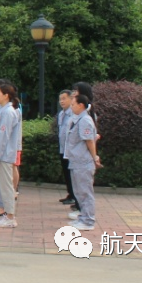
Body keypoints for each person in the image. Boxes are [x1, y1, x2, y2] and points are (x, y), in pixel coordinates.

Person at [64, 92, 101, 230]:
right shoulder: (77, 119)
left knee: (85, 192)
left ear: (81, 105)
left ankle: (88, 220)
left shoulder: (85, 120)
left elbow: (89, 141)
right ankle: (83, 217)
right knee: (79, 192)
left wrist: (95, 157)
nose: (71, 107)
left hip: (83, 162)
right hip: (76, 160)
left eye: (73, 104)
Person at [0, 82, 21, 228]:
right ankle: (8, 215)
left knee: (7, 187)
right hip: (2, 155)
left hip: (4, 155)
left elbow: (3, 137)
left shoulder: (8, 112)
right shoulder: (3, 111)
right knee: (4, 186)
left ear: (6, 95)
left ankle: (10, 217)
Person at [56, 90, 77, 206]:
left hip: (70, 149)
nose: (62, 101)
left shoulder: (73, 113)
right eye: (60, 99)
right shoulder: (61, 114)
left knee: (71, 173)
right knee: (66, 172)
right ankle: (70, 193)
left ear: (70, 99)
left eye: (64, 98)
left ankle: (74, 196)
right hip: (63, 148)